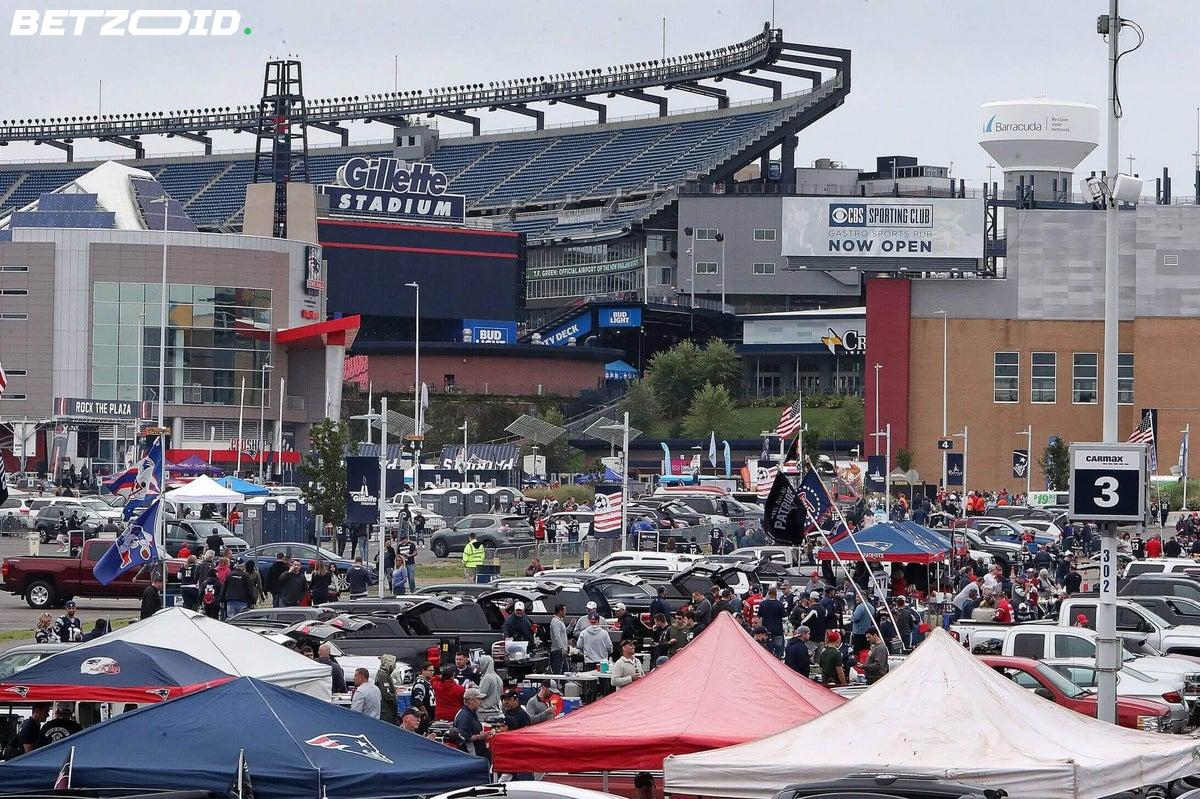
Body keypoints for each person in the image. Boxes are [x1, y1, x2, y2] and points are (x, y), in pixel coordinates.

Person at [454, 688, 490, 757]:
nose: (481, 702)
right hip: (471, 754)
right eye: (479, 699)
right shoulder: (464, 716)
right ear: (471, 700)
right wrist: (479, 737)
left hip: (478, 751)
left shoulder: (471, 713)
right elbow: (463, 738)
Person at [758, 587, 786, 657]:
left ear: (768, 593)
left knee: (767, 649)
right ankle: (778, 660)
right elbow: (785, 618)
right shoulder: (780, 604)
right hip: (778, 630)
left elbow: (759, 616)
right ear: (776, 594)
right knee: (778, 649)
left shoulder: (763, 604)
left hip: (766, 630)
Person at [410, 662, 437, 732]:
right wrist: (425, 714)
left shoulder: (426, 682)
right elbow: (418, 701)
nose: (432, 672)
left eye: (433, 670)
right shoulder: (420, 683)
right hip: (422, 718)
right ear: (423, 671)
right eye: (430, 670)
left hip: (430, 716)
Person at [375, 654, 399, 725]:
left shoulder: (383, 674)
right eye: (394, 664)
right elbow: (387, 694)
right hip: (386, 711)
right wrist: (394, 696)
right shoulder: (383, 676)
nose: (395, 667)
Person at [549, 603, 569, 674]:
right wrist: (562, 648)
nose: (566, 612)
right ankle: (557, 684)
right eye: (565, 610)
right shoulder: (555, 621)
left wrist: (571, 626)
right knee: (558, 671)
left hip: (561, 650)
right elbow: (557, 636)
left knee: (565, 670)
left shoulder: (560, 621)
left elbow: (564, 633)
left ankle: (563, 684)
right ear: (560, 611)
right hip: (558, 650)